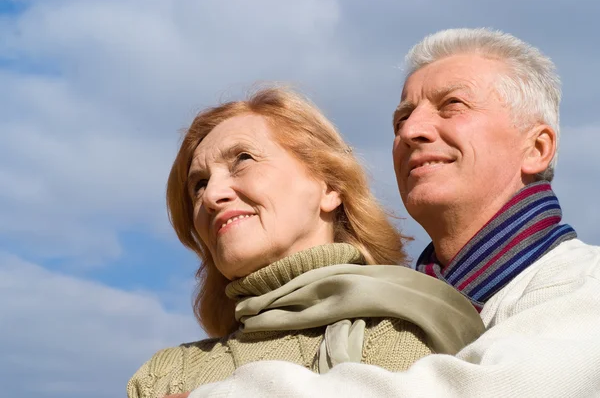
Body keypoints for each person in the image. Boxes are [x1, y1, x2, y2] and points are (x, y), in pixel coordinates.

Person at [186, 29, 600, 398]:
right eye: (402, 117)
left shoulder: (586, 287)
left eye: (452, 105)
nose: (410, 130)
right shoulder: (397, 315)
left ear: (537, 148)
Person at [126, 86, 485, 398]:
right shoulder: (163, 375)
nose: (212, 195)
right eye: (198, 184)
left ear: (329, 188)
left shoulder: (402, 336)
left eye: (243, 160)